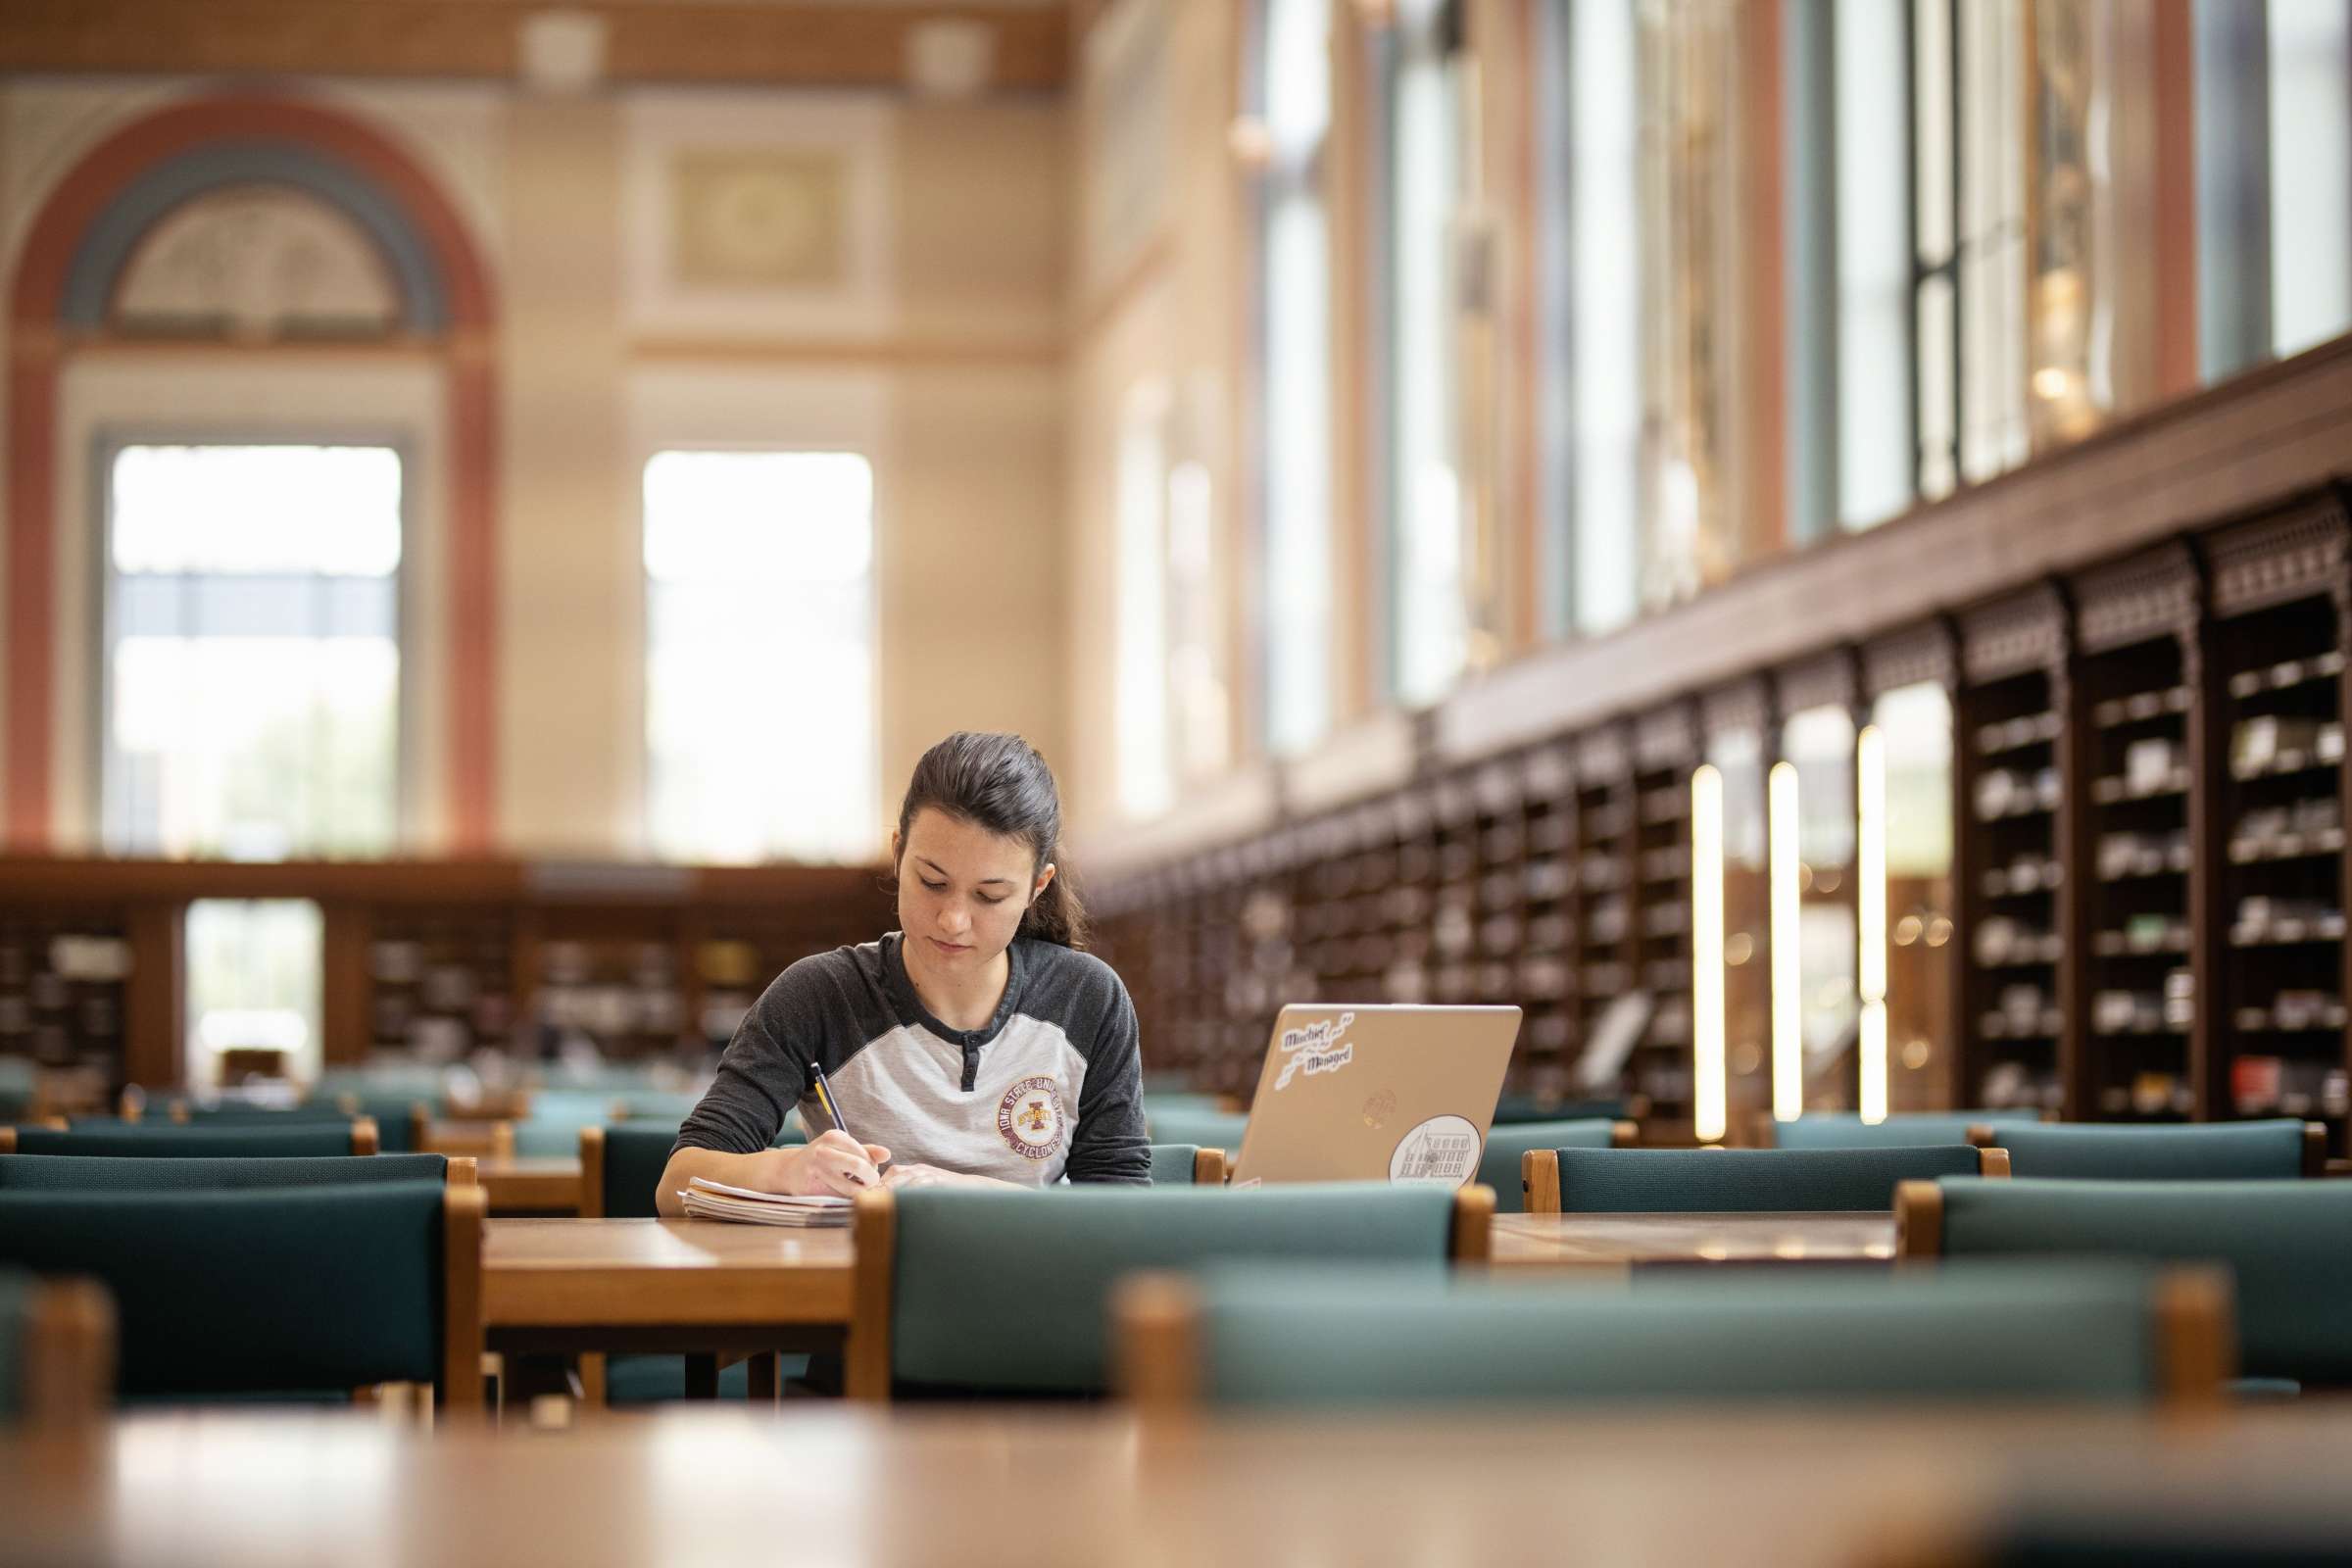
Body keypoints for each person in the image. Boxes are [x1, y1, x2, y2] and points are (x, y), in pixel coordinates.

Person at [657, 731, 1150, 1214]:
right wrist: (785, 1172)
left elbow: (1123, 1212)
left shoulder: (1088, 998)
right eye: (932, 882)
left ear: (1037, 887)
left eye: (990, 896)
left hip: (1032, 1291)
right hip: (856, 1287)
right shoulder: (819, 996)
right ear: (898, 855)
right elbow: (677, 1183)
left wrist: (970, 1193)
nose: (953, 920)